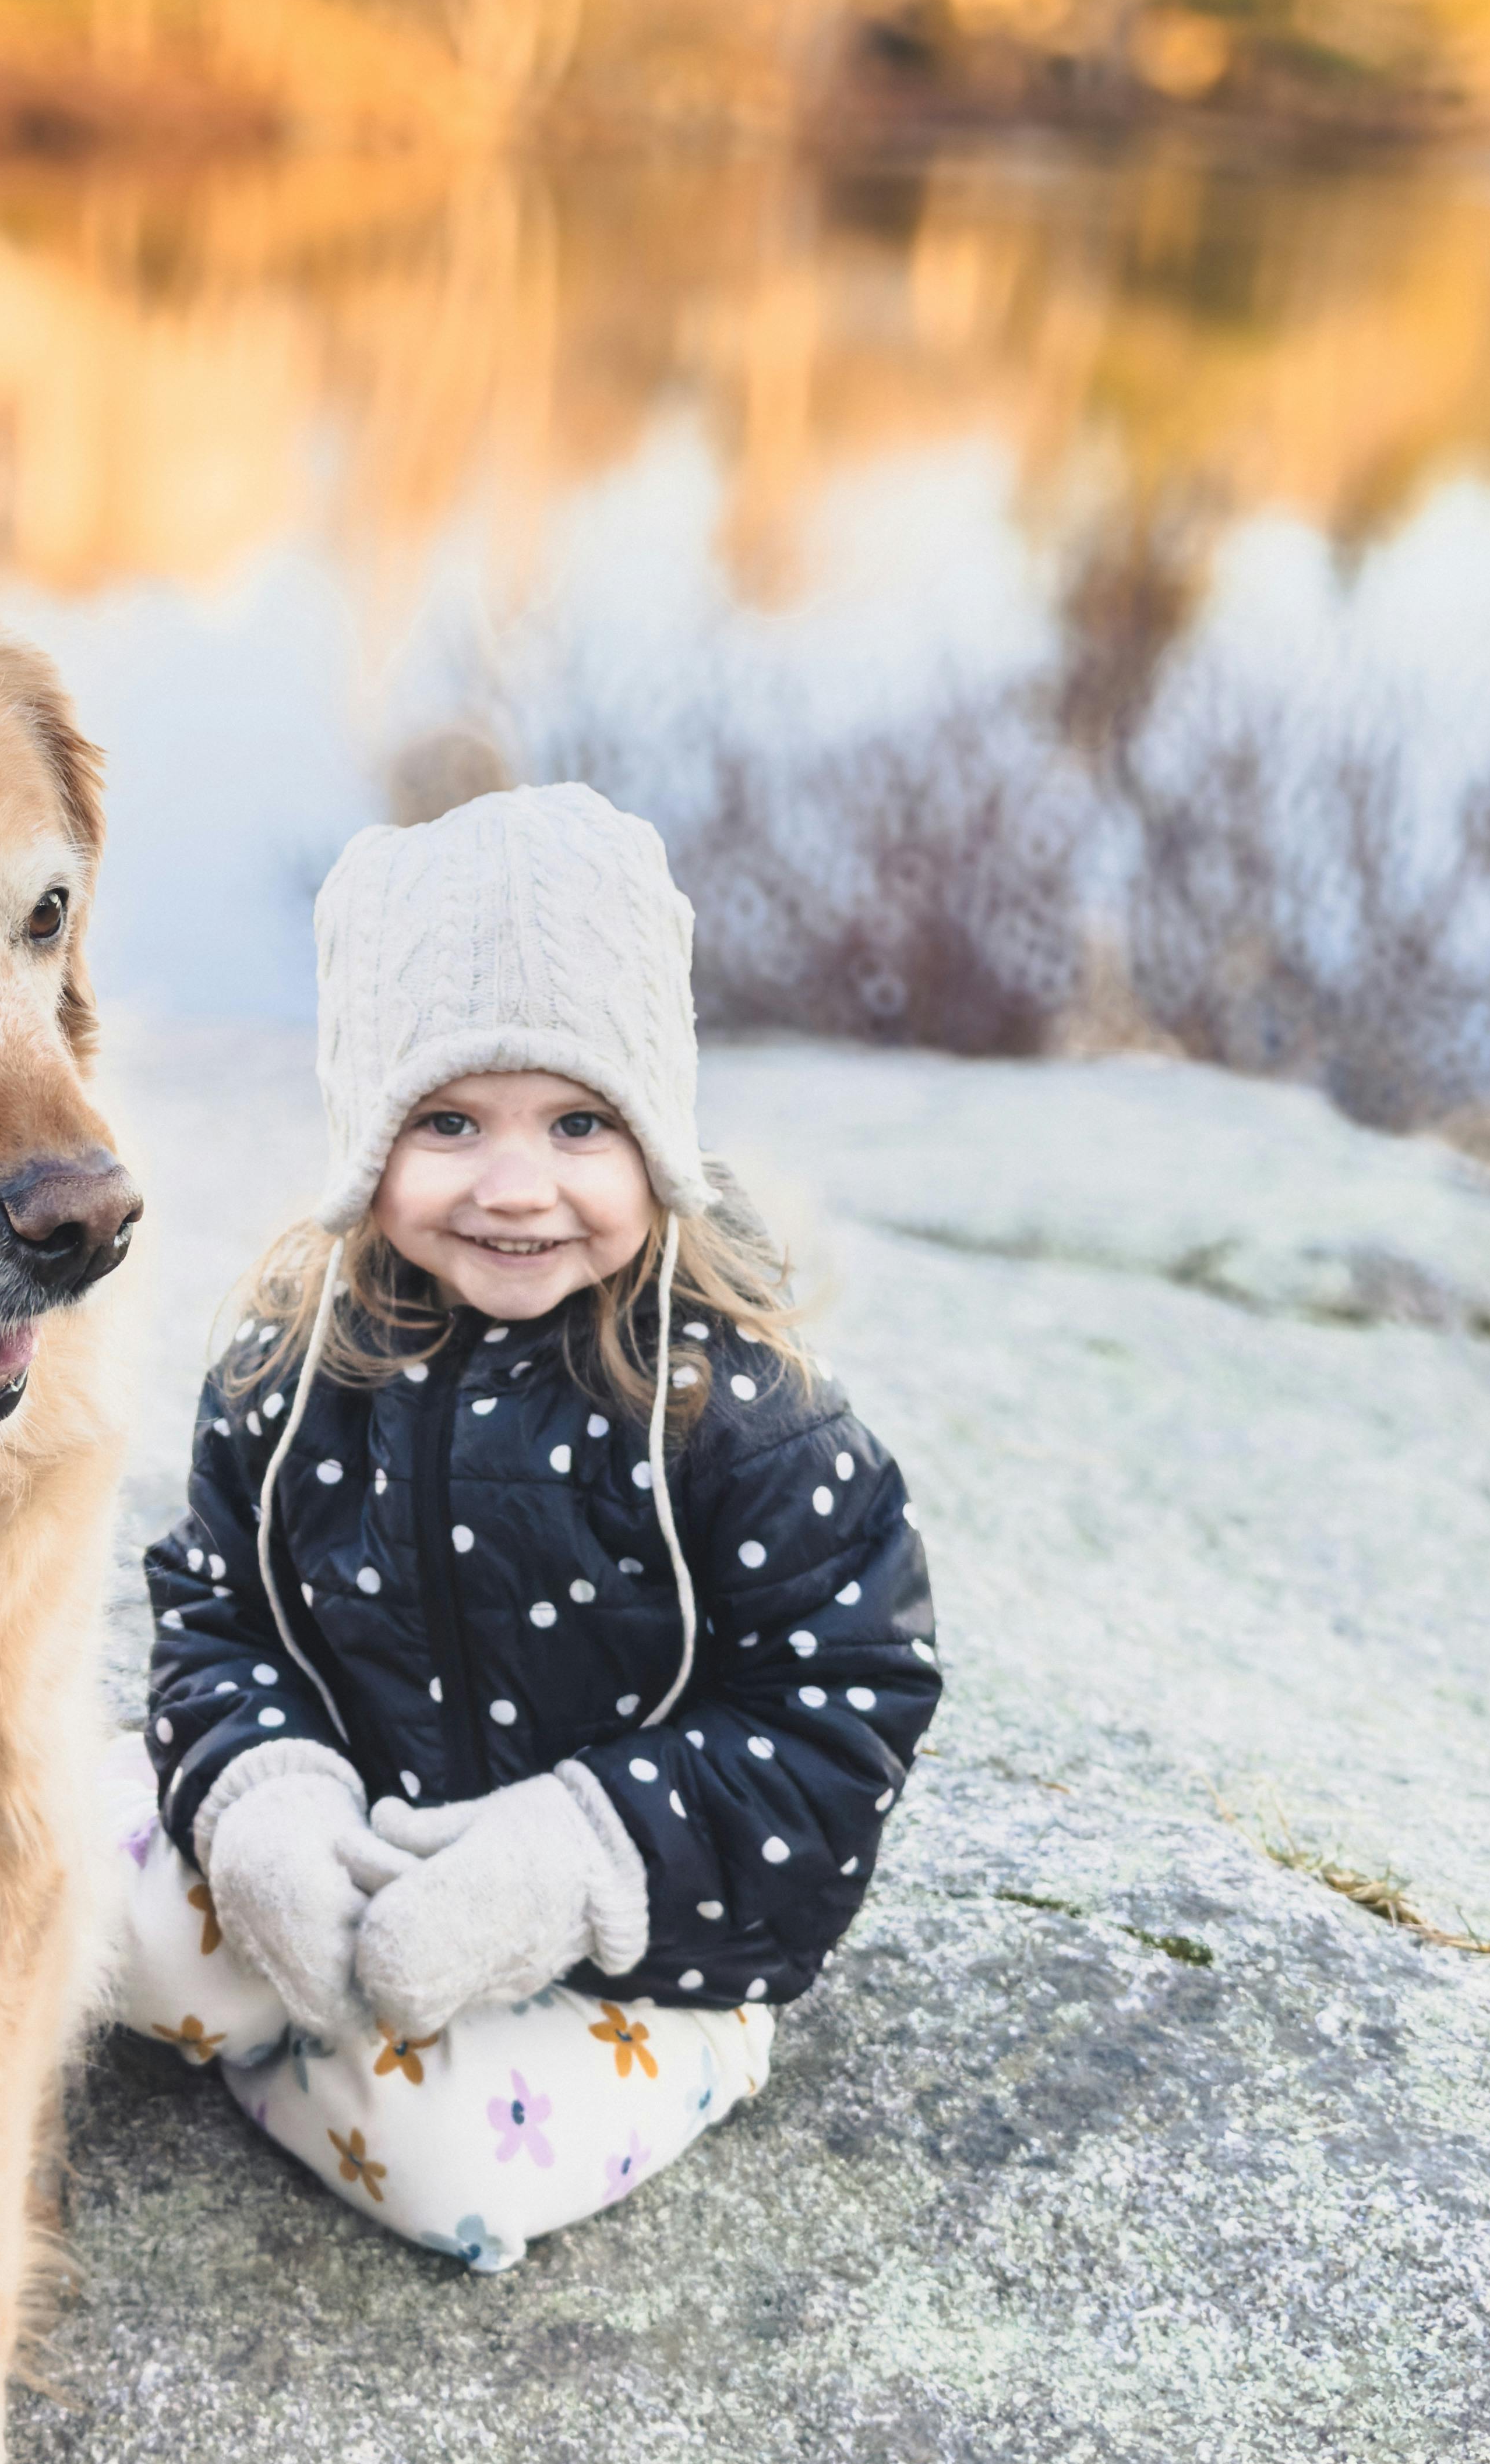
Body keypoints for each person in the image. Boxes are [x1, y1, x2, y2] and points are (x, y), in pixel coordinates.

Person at [111, 782, 941, 2272]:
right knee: (40, 1878)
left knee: (448, 2180)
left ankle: (303, 2037)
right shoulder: (292, 1363)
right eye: (444, 1119)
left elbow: (837, 1723)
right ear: (366, 1134)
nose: (512, 1186)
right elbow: (215, 1609)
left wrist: (577, 1858)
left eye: (576, 1121)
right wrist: (263, 1800)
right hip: (356, 1850)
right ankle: (301, 1997)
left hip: (627, 1944)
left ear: (657, 1130)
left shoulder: (745, 1414)